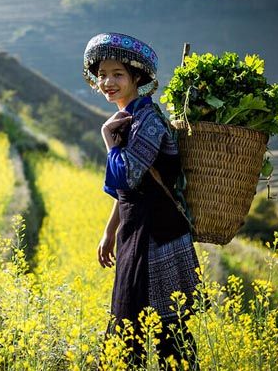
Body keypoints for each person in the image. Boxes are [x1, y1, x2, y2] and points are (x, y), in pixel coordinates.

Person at [82, 32, 201, 369]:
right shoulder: (129, 118)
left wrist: (109, 141)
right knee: (129, 324)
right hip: (136, 232)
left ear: (137, 78)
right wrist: (109, 232)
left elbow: (128, 175)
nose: (107, 82)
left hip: (158, 236)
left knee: (167, 332)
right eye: (102, 74)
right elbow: (126, 194)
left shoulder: (147, 120)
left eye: (117, 74)